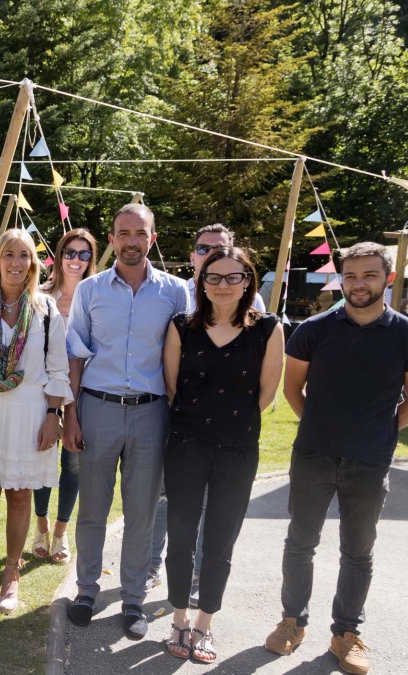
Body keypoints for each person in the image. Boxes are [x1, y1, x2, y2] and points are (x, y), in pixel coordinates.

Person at [263, 242, 408, 675]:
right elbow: (293, 389)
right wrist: (319, 425)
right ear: (342, 279)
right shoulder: (314, 328)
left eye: (369, 275)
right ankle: (291, 621)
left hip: (370, 462)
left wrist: (382, 431)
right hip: (313, 455)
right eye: (351, 276)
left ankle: (346, 634)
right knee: (300, 542)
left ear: (388, 279)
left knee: (358, 551)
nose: (358, 284)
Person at [64, 203, 190, 639]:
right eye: (123, 233)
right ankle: (85, 590)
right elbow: (75, 354)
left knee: (141, 511)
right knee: (93, 507)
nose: (132, 240)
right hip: (97, 408)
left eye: (140, 232)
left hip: (152, 412)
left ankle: (133, 599)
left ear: (152, 237)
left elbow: (186, 356)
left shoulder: (176, 292)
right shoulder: (90, 290)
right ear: (113, 238)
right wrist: (71, 416)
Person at [160, 248, 284, 663]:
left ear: (248, 281)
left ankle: (204, 624)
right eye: (214, 277)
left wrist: (228, 425)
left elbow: (265, 395)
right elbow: (173, 387)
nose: (223, 285)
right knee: (180, 537)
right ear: (202, 281)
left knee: (220, 541)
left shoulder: (268, 329)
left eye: (234, 277)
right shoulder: (181, 327)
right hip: (186, 445)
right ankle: (178, 618)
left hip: (237, 448)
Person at [147, 223, 266, 596]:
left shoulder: (255, 307)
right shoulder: (175, 295)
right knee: (168, 499)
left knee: (210, 510)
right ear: (193, 254)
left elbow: (261, 387)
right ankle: (153, 566)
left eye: (218, 249)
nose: (208, 255)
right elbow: (170, 377)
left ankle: (198, 575)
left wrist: (230, 415)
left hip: (231, 434)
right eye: (202, 248)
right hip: (181, 423)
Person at [0, 228, 71, 613]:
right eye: (8, 255)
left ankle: (11, 574)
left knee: (21, 496)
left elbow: (59, 369)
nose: (15, 263)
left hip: (30, 413)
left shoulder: (45, 311)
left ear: (34, 264)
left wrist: (52, 416)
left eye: (23, 255)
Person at [31, 228, 97, 565]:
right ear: (59, 255)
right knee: (43, 458)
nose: (76, 260)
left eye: (84, 254)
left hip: (84, 393)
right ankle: (40, 525)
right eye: (70, 252)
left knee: (73, 462)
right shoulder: (40, 295)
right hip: (42, 393)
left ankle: (60, 530)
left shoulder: (96, 295)